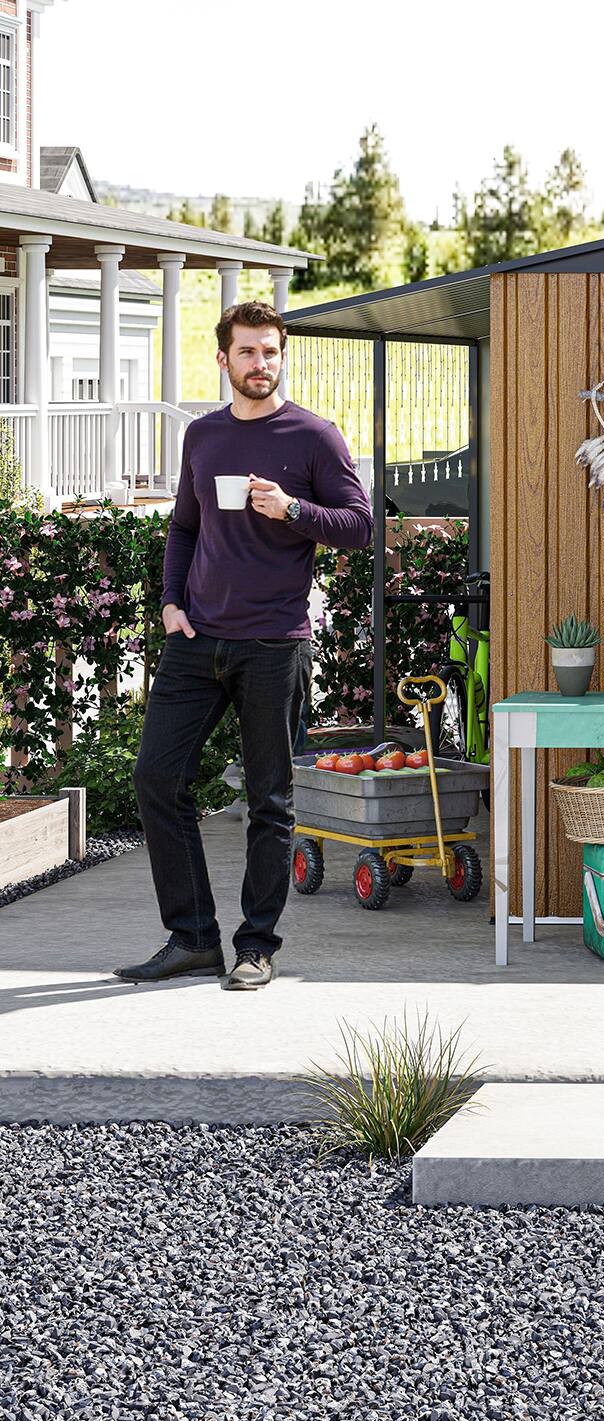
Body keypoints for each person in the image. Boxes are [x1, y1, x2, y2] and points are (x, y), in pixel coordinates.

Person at [116, 302, 373, 990]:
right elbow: (184, 526)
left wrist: (292, 509)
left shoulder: (314, 436)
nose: (261, 364)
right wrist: (170, 602)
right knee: (156, 778)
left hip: (273, 645)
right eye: (249, 352)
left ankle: (256, 946)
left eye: (271, 351)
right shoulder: (202, 435)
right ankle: (192, 937)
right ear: (223, 359)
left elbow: (359, 526)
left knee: (270, 801)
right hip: (196, 639)